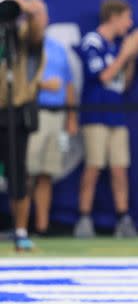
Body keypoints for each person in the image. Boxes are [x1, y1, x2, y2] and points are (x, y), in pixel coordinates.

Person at [74, 0, 138, 239]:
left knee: (119, 170)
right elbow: (103, 76)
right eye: (126, 17)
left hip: (116, 113)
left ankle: (123, 218)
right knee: (93, 168)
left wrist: (130, 56)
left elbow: (123, 84)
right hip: (96, 114)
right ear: (113, 17)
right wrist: (126, 53)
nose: (130, 23)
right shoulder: (93, 41)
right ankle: (84, 218)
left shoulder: (116, 46)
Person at [0, 0, 47, 251]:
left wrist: (25, 8)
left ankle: (20, 230)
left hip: (15, 113)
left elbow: (38, 35)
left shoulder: (24, 36)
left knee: (19, 173)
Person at [27, 35, 78, 237]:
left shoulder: (57, 47)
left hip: (57, 114)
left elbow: (69, 83)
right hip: (33, 112)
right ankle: (22, 225)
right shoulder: (25, 45)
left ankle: (42, 226)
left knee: (46, 173)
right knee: (27, 171)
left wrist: (71, 116)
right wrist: (42, 85)